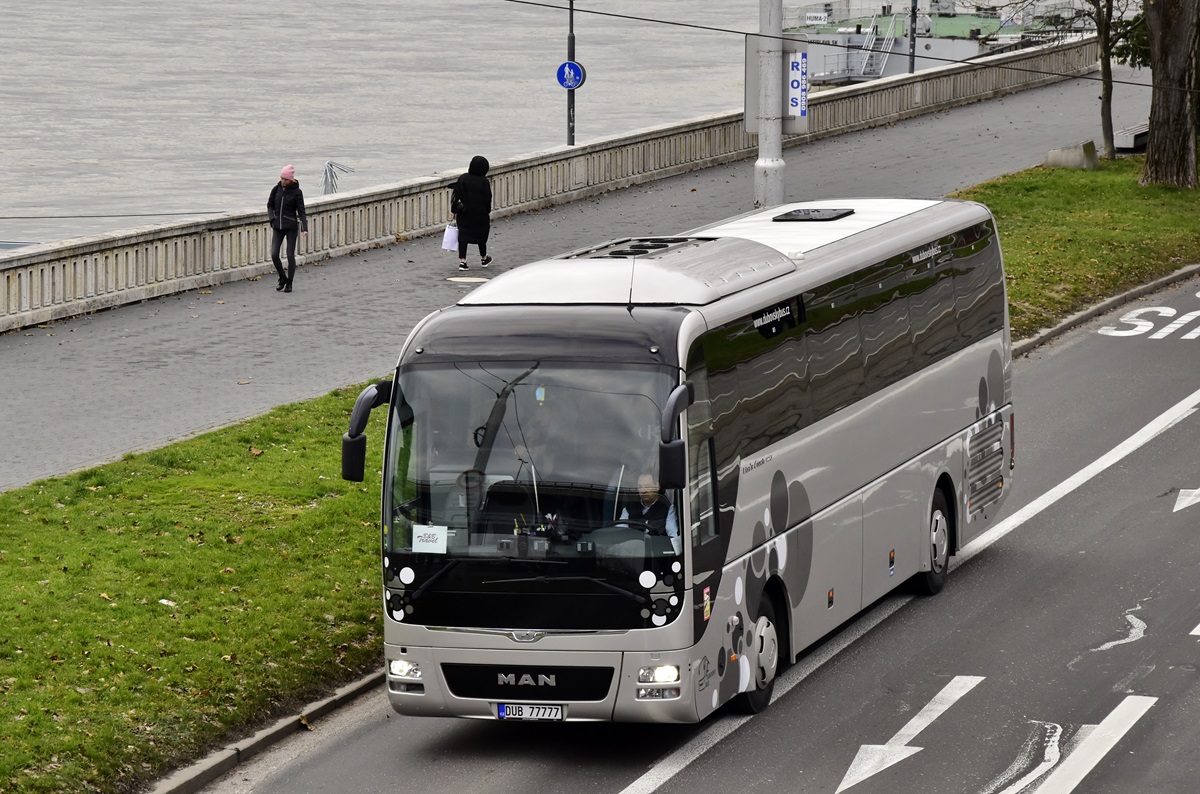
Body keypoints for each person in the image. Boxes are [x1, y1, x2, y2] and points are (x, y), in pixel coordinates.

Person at [267, 164, 308, 293]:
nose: (283, 181)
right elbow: (269, 205)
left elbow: (301, 211)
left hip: (290, 227)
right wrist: (272, 219)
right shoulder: (276, 189)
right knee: (274, 254)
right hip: (277, 227)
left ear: (291, 180)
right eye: (281, 178)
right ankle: (282, 277)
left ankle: (289, 282)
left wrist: (304, 228)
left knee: (290, 254)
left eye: (285, 179)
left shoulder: (297, 192)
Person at [450, 155, 492, 271]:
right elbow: (488, 199)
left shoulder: (463, 178)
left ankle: (462, 261)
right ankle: (484, 258)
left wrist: (454, 210)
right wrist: (487, 211)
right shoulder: (484, 181)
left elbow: (456, 195)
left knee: (463, 237)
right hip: (480, 215)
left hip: (464, 214)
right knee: (481, 236)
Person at [619, 472, 679, 541]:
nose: (643, 490)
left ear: (657, 487)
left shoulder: (668, 508)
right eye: (640, 487)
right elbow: (620, 533)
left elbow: (673, 536)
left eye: (647, 486)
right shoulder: (629, 508)